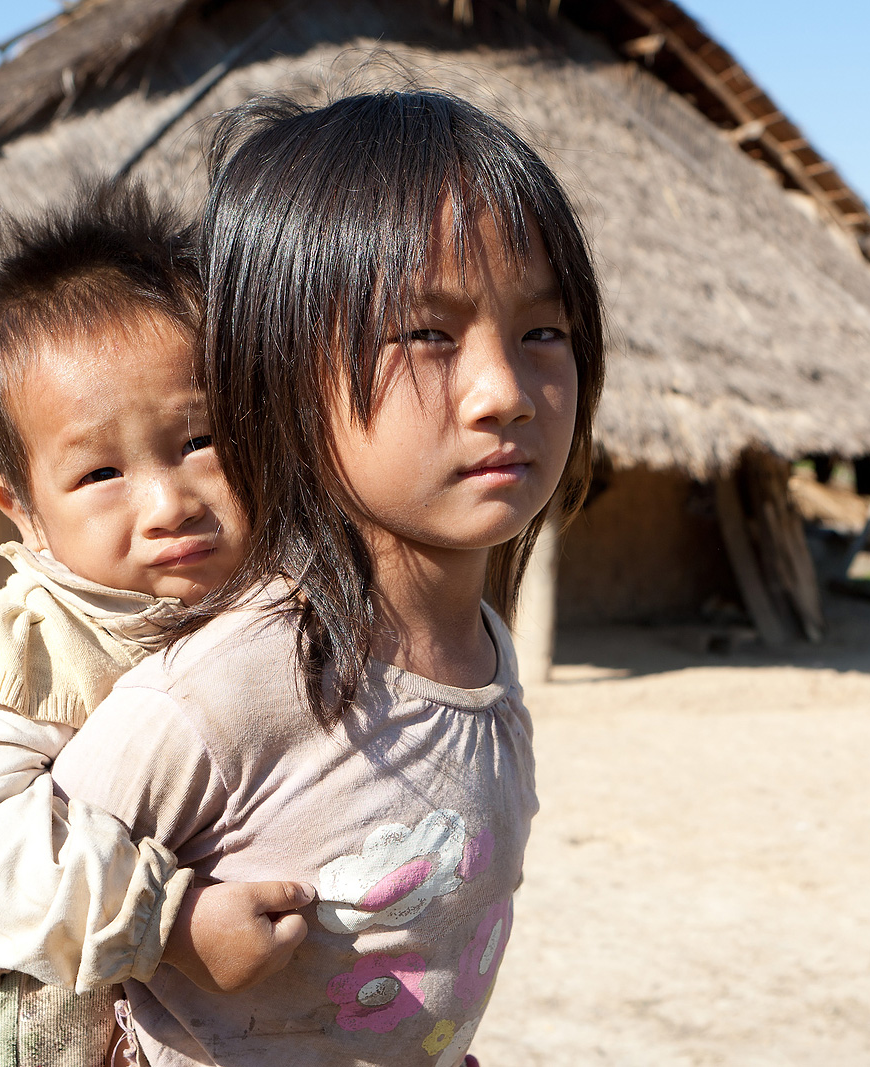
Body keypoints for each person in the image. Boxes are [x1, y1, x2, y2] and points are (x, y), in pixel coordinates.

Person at [47, 89, 605, 1065]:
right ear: (281, 372)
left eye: (543, 332)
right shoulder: (227, 688)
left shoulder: (480, 646)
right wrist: (165, 927)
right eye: (425, 334)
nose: (505, 393)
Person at [0, 183, 309, 1067]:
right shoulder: (29, 643)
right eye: (99, 474)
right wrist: (168, 924)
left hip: (36, 866)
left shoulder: (265, 590)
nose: (168, 503)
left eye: (201, 440)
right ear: (25, 511)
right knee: (51, 1020)